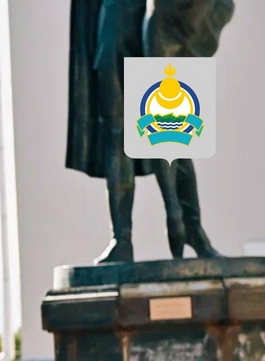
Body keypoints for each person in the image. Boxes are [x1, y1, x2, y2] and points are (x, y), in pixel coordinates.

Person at [66, 0, 232, 263]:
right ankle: (121, 239)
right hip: (116, 14)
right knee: (117, 129)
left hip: (162, 11)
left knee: (173, 125)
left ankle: (192, 228)